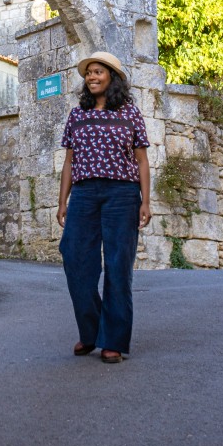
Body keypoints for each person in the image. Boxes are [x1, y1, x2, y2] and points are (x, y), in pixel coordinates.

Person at [57, 51, 151, 364]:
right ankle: (92, 330)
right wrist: (63, 201)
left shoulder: (130, 113)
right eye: (88, 73)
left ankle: (114, 341)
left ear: (111, 77)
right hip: (84, 194)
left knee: (117, 266)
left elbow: (141, 160)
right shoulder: (77, 115)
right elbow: (69, 161)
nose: (92, 77)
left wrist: (146, 201)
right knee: (75, 259)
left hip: (122, 194)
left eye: (98, 72)